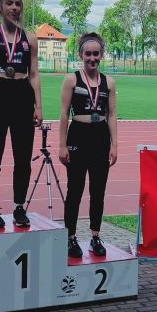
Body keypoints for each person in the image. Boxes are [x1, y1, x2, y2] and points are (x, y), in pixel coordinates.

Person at [0, 0, 42, 228]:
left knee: (23, 157)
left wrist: (38, 106)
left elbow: (34, 74)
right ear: (0, 7)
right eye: (9, 3)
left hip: (23, 94)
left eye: (18, 4)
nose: (14, 8)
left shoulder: (30, 38)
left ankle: (18, 206)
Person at [58, 33, 118, 258]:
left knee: (98, 191)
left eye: (96, 54)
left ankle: (95, 236)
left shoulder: (108, 82)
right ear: (81, 55)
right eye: (88, 54)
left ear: (101, 55)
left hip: (100, 137)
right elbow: (63, 114)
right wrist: (62, 145)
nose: (92, 58)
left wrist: (115, 145)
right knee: (74, 190)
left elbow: (112, 115)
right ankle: (70, 237)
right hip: (78, 136)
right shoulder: (71, 79)